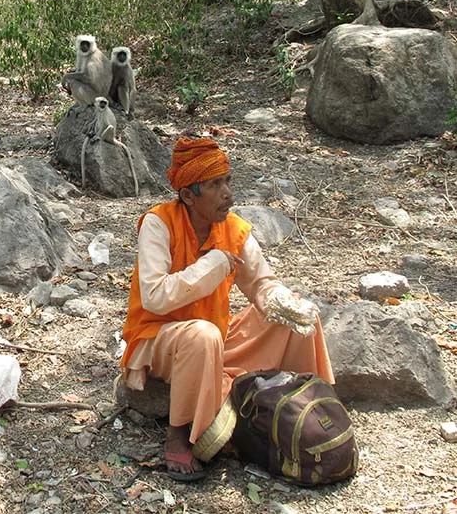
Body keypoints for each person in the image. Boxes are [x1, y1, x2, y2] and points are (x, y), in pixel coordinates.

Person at [120, 137, 334, 482]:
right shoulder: (158, 224)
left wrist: (279, 299)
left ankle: (308, 403)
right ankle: (181, 433)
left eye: (228, 181)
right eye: (215, 185)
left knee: (294, 319)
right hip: (157, 337)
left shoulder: (232, 229)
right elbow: (156, 297)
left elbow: (260, 283)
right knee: (201, 336)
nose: (228, 194)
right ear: (188, 195)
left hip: (216, 335)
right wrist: (214, 264)